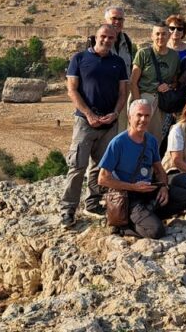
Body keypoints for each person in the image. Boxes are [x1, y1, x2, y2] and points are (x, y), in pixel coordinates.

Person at [61, 25, 129, 229]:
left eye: (111, 37)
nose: (106, 40)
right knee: (77, 166)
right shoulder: (79, 59)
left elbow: (123, 93)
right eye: (103, 36)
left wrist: (115, 114)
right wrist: (89, 114)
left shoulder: (118, 62)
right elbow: (72, 91)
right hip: (85, 122)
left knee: (101, 167)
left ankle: (92, 203)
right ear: (95, 37)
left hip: (109, 123)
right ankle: (67, 210)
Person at [98, 99, 186, 238]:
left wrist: (163, 187)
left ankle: (147, 216)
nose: (143, 119)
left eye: (147, 116)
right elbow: (102, 179)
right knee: (156, 232)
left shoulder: (151, 140)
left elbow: (159, 169)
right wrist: (133, 187)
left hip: (148, 190)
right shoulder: (118, 143)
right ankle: (123, 227)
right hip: (128, 196)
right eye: (139, 115)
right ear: (130, 117)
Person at [130, 24, 180, 149]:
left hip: (161, 102)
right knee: (137, 136)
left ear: (169, 36)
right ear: (152, 36)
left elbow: (176, 82)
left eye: (164, 34)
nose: (160, 37)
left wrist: (168, 86)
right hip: (143, 98)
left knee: (155, 139)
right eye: (157, 33)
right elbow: (133, 82)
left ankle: (149, 167)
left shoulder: (174, 56)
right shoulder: (143, 53)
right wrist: (137, 104)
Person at [104, 6, 136, 131]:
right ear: (106, 20)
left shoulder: (127, 41)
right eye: (114, 18)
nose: (117, 22)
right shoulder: (95, 40)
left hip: (123, 96)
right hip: (104, 95)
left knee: (121, 130)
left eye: (120, 19)